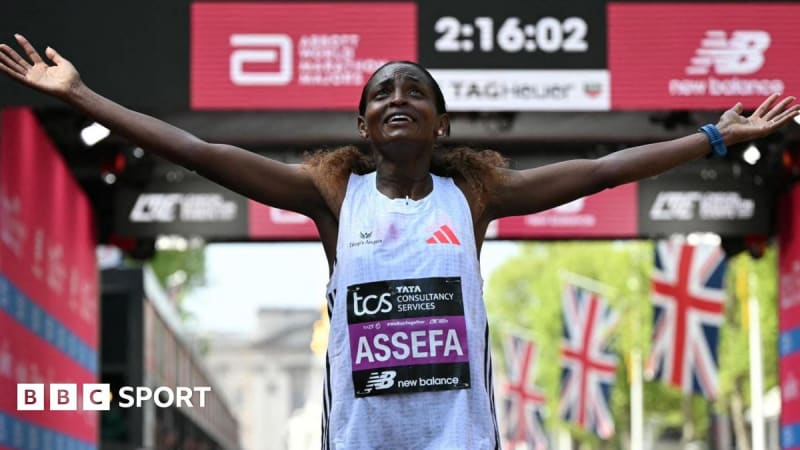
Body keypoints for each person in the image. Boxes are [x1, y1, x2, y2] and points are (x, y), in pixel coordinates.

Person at [1, 34, 798, 449]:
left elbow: (598, 169)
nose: (399, 99)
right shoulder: (330, 194)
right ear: (362, 123)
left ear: (441, 122)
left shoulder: (474, 195)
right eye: (382, 92)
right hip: (357, 439)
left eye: (416, 92)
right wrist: (80, 95)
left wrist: (711, 139)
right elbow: (201, 153)